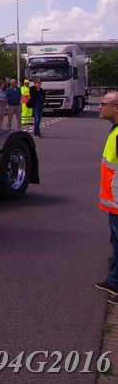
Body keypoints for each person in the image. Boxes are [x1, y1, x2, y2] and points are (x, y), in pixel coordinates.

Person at [94, 91, 118, 302]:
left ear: (116, 108)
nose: (99, 107)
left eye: (104, 104)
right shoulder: (115, 130)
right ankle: (114, 281)